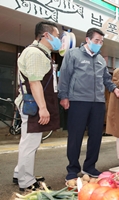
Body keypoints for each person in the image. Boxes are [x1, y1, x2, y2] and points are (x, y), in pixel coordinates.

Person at [58, 28, 119, 181]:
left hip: (98, 103)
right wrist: (64, 96)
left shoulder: (101, 59)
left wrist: (115, 90)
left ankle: (89, 166)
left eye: (101, 42)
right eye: (97, 41)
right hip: (78, 100)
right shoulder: (73, 54)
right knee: (75, 136)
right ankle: (72, 169)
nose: (99, 44)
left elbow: (106, 79)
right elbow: (64, 76)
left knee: (96, 136)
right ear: (87, 39)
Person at [13, 21, 61, 191]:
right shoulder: (35, 53)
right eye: (56, 36)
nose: (59, 39)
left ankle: (20, 173)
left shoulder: (39, 52)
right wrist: (43, 108)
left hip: (30, 103)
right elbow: (34, 83)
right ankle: (26, 181)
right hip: (32, 105)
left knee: (27, 141)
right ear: (46, 35)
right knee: (30, 143)